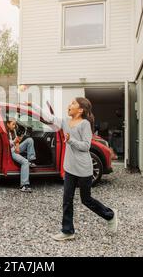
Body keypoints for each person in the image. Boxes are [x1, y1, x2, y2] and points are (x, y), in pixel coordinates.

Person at [50, 97, 118, 241]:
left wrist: (70, 140)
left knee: (86, 200)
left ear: (80, 110)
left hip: (83, 169)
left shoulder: (85, 124)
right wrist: (33, 107)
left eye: (73, 103)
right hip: (70, 168)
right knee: (66, 200)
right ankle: (67, 231)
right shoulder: (65, 121)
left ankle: (110, 215)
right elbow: (49, 117)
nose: (69, 104)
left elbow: (86, 146)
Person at [6, 118, 37, 193]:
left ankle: (31, 159)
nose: (14, 126)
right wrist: (15, 142)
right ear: (8, 124)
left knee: (29, 140)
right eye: (13, 124)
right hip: (10, 151)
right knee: (24, 162)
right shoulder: (5, 132)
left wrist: (17, 147)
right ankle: (24, 185)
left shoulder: (14, 130)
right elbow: (8, 145)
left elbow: (17, 142)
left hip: (14, 149)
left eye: (15, 124)